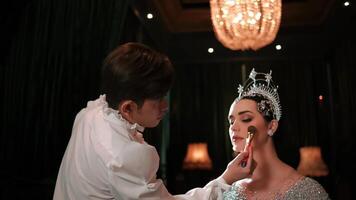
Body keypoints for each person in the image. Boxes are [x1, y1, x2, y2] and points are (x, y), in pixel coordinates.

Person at [53, 42, 253, 200]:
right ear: (128, 107)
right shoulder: (127, 156)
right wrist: (225, 179)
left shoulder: (90, 112)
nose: (166, 106)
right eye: (158, 100)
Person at [223, 68, 330, 200]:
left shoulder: (308, 191)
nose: (233, 127)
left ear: (272, 126)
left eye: (246, 119)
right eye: (231, 121)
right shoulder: (228, 190)